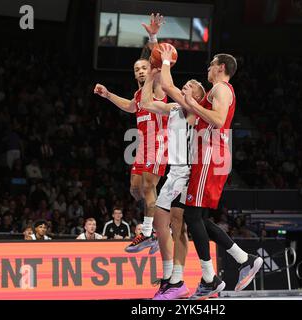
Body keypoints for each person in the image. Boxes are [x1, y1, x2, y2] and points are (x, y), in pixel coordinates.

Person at [178, 53, 263, 299]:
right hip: (207, 156)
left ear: (221, 67)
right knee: (197, 217)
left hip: (210, 155)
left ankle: (210, 278)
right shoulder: (214, 92)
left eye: (211, 64)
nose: (208, 67)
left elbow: (219, 119)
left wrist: (192, 105)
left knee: (192, 215)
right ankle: (243, 259)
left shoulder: (222, 88)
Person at [94, 13, 167, 253]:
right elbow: (128, 106)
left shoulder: (156, 87)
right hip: (141, 147)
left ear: (151, 70)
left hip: (158, 145)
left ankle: (149, 233)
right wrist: (107, 94)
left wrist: (153, 36)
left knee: (147, 188)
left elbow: (156, 61)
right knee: (135, 190)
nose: (141, 71)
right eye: (137, 69)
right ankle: (156, 217)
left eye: (144, 68)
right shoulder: (138, 96)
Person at [140, 52, 205, 299]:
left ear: (197, 97)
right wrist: (150, 79)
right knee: (160, 223)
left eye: (190, 87)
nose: (185, 87)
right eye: (185, 85)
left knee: (179, 227)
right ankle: (169, 278)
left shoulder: (193, 110)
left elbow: (168, 85)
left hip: (187, 173)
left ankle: (177, 281)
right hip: (172, 172)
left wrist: (165, 60)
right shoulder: (175, 108)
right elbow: (146, 103)